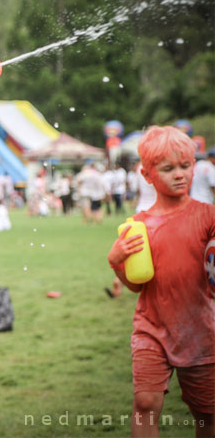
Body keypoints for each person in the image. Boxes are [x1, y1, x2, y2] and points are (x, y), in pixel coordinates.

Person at [107, 125, 215, 437]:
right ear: (147, 175)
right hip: (151, 327)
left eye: (186, 166)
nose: (180, 175)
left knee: (207, 413)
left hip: (199, 329)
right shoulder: (138, 226)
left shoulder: (208, 217)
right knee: (144, 403)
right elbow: (137, 285)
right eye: (168, 169)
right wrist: (116, 262)